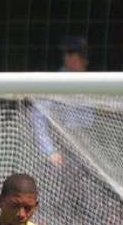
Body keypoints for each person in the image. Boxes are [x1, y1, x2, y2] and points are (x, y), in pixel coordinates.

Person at [32, 36, 95, 167]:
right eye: (66, 54)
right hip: (62, 146)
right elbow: (38, 116)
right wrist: (49, 150)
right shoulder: (55, 83)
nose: (67, 57)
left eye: (71, 53)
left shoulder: (96, 81)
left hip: (90, 146)